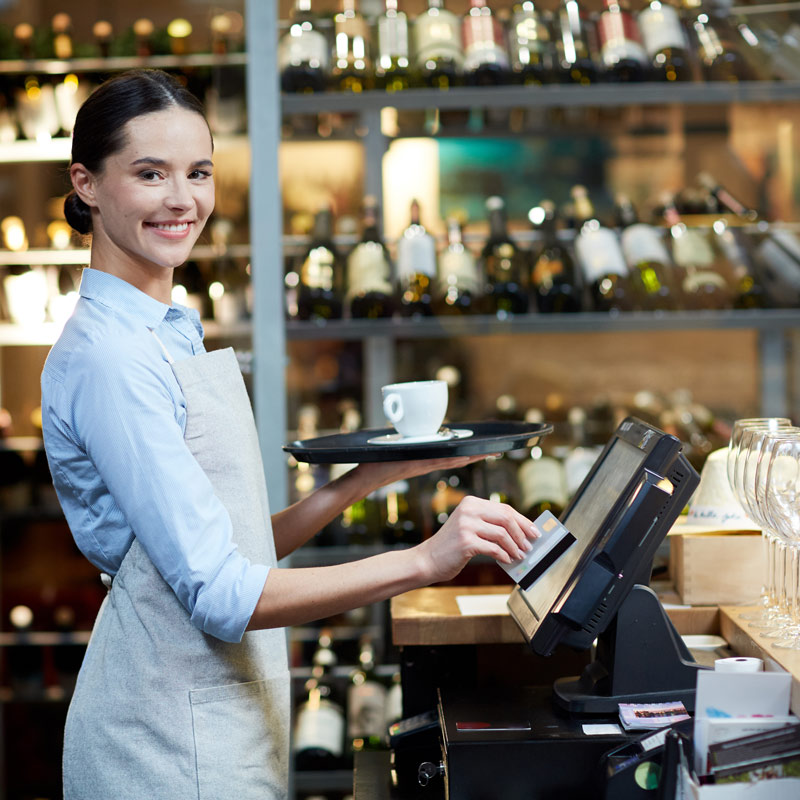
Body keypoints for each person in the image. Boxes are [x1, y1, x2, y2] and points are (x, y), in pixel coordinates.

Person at [40, 69, 539, 800]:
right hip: (162, 746)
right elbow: (221, 592)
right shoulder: (111, 359)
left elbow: (219, 549)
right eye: (151, 173)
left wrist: (360, 480)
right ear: (87, 183)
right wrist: (427, 559)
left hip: (212, 713)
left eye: (198, 172)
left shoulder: (166, 333)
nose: (183, 200)